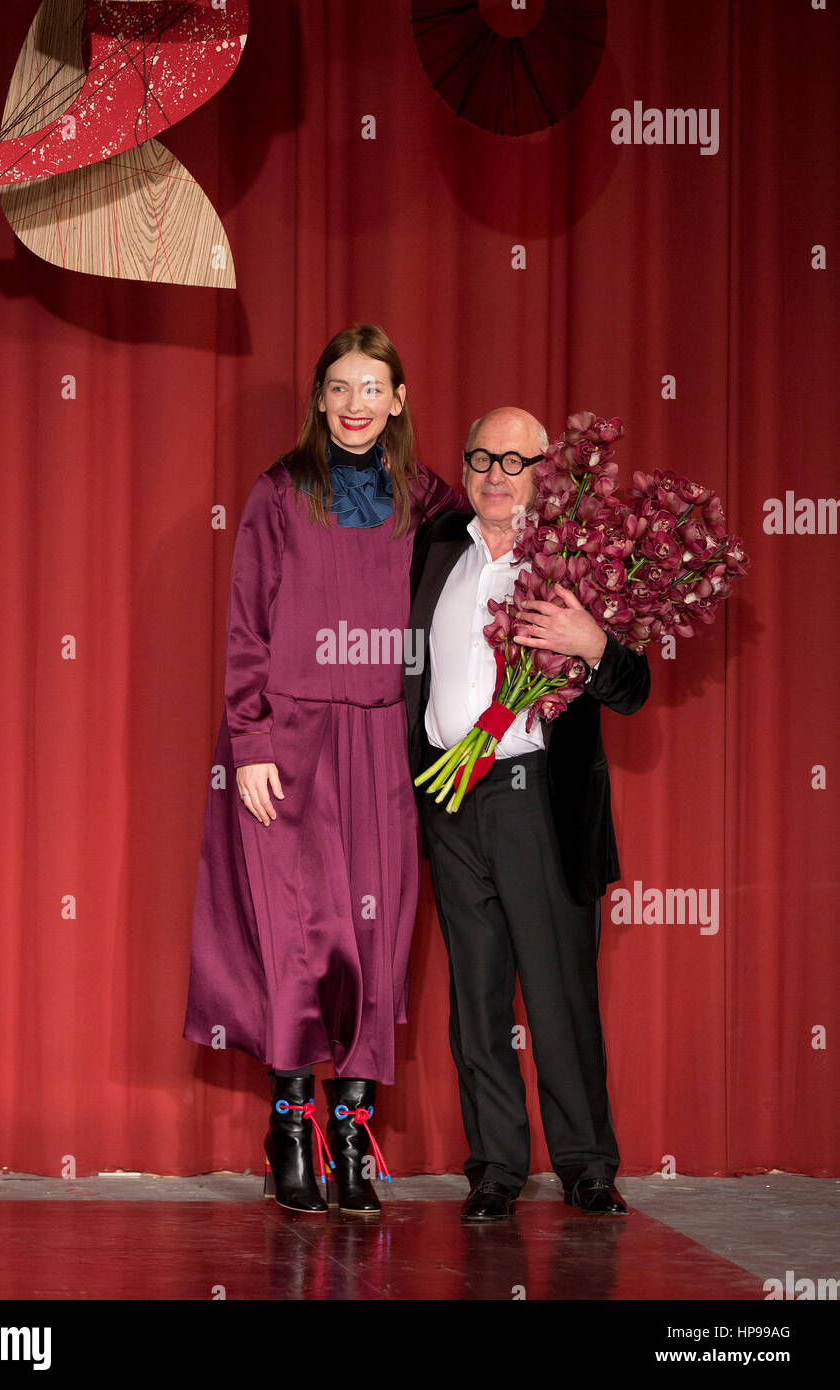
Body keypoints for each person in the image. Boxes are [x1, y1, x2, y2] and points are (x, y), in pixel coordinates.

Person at [183, 324, 471, 1215]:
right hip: (290, 741)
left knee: (371, 946)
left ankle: (352, 1131)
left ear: (399, 398)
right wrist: (253, 744)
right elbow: (246, 629)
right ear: (318, 399)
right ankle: (288, 1124)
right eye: (339, 388)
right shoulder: (280, 493)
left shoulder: (427, 499)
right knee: (294, 939)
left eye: (371, 388)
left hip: (385, 744)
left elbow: (489, 579)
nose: (354, 405)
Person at [404, 406, 650, 1222]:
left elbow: (633, 687)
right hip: (450, 800)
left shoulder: (576, 559)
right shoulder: (437, 545)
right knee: (475, 1003)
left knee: (558, 997)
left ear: (548, 471)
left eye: (516, 459)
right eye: (481, 457)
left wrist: (592, 643)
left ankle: (586, 1167)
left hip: (536, 801)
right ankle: (496, 1170)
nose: (496, 473)